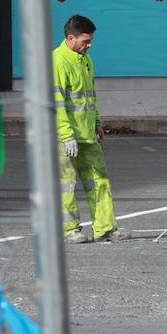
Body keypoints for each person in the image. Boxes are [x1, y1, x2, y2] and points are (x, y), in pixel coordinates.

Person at [54, 14, 128, 244]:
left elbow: (89, 96)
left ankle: (105, 227)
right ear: (70, 38)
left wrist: (97, 123)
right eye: (85, 41)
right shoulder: (57, 62)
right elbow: (55, 103)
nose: (90, 45)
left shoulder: (85, 59)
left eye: (90, 40)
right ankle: (70, 230)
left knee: (100, 180)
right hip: (64, 137)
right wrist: (66, 136)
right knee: (66, 185)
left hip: (87, 134)